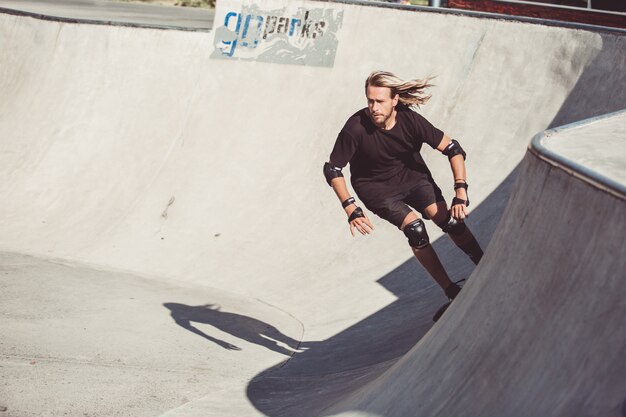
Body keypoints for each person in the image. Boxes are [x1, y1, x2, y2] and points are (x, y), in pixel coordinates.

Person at [323, 71, 483, 321]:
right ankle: (452, 290)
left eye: (380, 101)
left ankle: (484, 265)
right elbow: (332, 169)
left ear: (395, 100)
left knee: (449, 221)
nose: (374, 107)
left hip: (412, 176)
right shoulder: (355, 127)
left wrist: (460, 191)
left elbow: (453, 149)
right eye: (370, 101)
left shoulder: (411, 121)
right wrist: (350, 207)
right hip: (374, 186)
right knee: (416, 229)